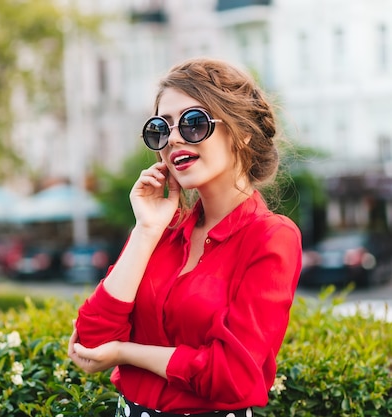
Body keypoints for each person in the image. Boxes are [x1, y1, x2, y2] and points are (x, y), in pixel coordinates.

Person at [67, 57, 302, 417]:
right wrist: (146, 229)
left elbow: (235, 376)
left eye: (193, 123)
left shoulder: (271, 237)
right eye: (162, 127)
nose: (174, 138)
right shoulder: (161, 230)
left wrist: (126, 353)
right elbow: (92, 340)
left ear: (241, 132)